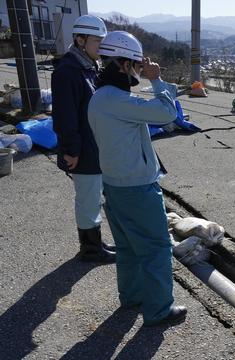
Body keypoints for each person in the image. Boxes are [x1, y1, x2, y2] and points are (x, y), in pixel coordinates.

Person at [88, 31, 186, 327]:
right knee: (156, 248)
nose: (137, 69)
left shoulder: (100, 96)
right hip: (137, 188)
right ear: (121, 63)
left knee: (128, 247)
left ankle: (131, 297)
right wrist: (155, 79)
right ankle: (158, 311)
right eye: (134, 64)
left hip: (115, 185)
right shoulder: (117, 99)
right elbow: (168, 114)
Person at [52, 15, 115, 263]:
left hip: (93, 146)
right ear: (80, 39)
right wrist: (70, 150)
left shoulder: (88, 66)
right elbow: (65, 116)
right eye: (97, 40)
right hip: (81, 150)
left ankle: (95, 242)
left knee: (93, 196)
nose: (101, 44)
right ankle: (90, 249)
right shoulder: (68, 71)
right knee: (88, 199)